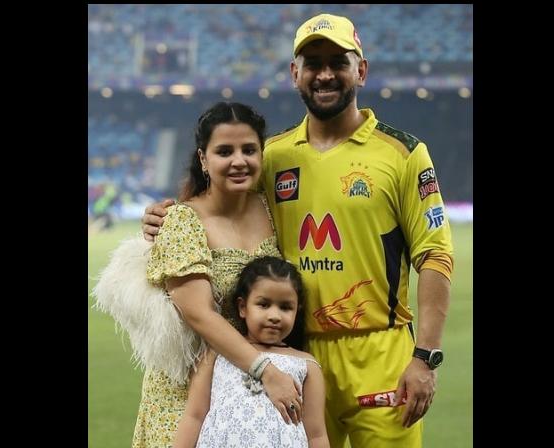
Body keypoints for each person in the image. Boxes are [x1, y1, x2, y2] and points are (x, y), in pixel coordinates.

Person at [143, 13, 454, 448]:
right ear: (296, 74)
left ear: (360, 70)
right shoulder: (273, 155)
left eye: (337, 61)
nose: (324, 74)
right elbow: (222, 198)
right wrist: (170, 213)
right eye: (312, 63)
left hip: (379, 354)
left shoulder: (403, 153)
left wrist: (425, 357)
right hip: (293, 355)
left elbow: (435, 255)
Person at [95, 102, 305, 448]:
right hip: (190, 393)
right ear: (204, 159)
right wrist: (266, 371)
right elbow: (199, 314)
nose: (239, 160)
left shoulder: (270, 206)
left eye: (249, 150)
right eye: (225, 151)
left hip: (248, 394)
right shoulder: (182, 221)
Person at [174, 256, 330, 448]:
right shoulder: (216, 354)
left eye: (285, 307)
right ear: (242, 307)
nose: (274, 316)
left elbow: (316, 435)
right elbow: (194, 416)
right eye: (263, 304)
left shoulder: (307, 365)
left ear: (297, 311)